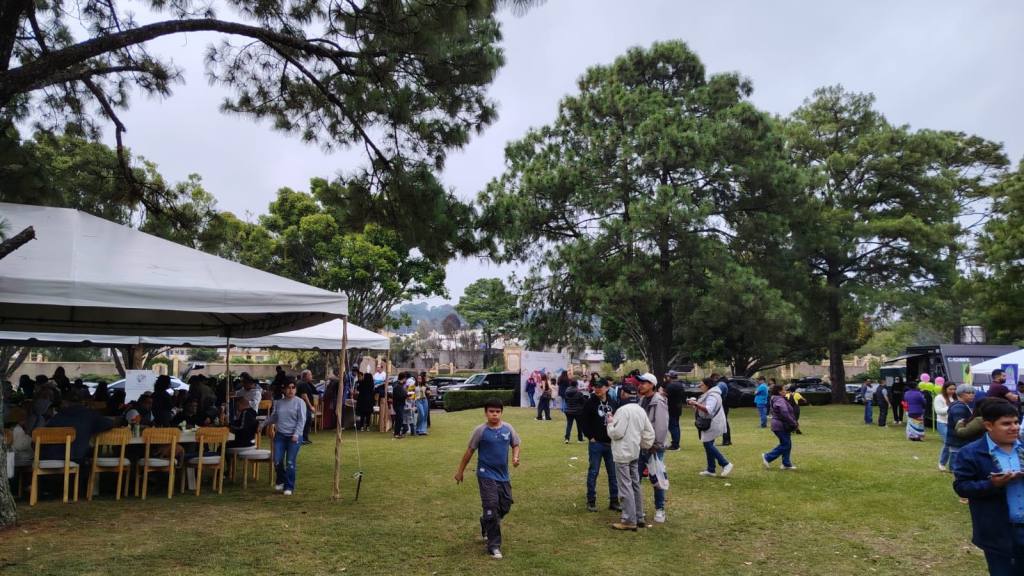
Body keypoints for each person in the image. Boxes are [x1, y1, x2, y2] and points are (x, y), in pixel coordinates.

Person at [952, 398, 1024, 574]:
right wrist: (992, 484)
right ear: (989, 425)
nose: (1014, 427)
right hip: (998, 531)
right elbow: (962, 487)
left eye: (1016, 422)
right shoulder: (971, 453)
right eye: (1006, 424)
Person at [453, 398, 521, 560]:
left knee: (504, 505)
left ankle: (486, 521)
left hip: (503, 475)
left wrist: (515, 458)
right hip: (485, 474)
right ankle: (494, 546)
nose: (494, 415)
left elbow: (516, 444)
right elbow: (469, 452)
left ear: (501, 413)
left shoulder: (508, 428)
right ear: (486, 413)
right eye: (491, 411)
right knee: (491, 505)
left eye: (497, 412)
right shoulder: (480, 431)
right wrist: (460, 471)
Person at [606, 383, 655, 531]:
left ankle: (628, 519)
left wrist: (609, 424)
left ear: (623, 394)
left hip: (622, 453)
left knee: (625, 486)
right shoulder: (640, 409)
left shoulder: (622, 410)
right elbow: (649, 431)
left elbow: (617, 433)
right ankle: (639, 516)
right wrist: (643, 444)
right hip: (635, 451)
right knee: (635, 484)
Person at [40, 389, 114, 463]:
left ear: (65, 402)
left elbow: (41, 436)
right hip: (78, 457)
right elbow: (109, 424)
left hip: (52, 457)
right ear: (82, 402)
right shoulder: (90, 415)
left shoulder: (58, 416)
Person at [580, 377, 619, 513]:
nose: (597, 389)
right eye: (595, 387)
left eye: (600, 387)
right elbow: (583, 421)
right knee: (593, 472)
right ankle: (591, 501)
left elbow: (618, 421)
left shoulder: (613, 403)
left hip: (611, 444)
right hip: (596, 444)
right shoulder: (590, 403)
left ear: (606, 388)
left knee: (613, 474)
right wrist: (590, 437)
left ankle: (614, 501)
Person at [637, 372, 669, 523]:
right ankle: (638, 510)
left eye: (643, 382)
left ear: (651, 385)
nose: (640, 385)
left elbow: (661, 425)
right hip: (640, 446)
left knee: (656, 479)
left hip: (654, 447)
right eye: (640, 382)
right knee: (635, 479)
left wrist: (656, 445)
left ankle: (660, 509)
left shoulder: (659, 401)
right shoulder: (642, 399)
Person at [267, 377, 307, 496]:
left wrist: (296, 434)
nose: (291, 390)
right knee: (277, 460)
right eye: (288, 388)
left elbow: (302, 420)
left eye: (293, 388)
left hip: (294, 437)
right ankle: (281, 479)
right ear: (283, 389)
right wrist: (263, 424)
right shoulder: (278, 403)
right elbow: (274, 417)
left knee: (290, 462)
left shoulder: (300, 402)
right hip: (280, 436)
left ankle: (289, 486)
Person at [690, 377, 733, 477]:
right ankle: (711, 469)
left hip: (712, 423)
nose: (699, 386)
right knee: (708, 444)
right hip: (713, 422)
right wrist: (696, 404)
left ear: (707, 385)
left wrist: (696, 403)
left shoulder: (713, 395)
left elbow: (708, 409)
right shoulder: (711, 394)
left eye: (701, 384)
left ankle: (725, 464)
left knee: (708, 444)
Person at [762, 383, 798, 470]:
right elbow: (784, 412)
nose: (785, 391)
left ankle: (786, 464)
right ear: (779, 391)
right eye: (784, 390)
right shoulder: (780, 400)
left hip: (781, 425)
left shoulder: (777, 398)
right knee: (785, 444)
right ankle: (767, 457)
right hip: (780, 426)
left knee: (787, 444)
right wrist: (793, 422)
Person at [947, 384, 979, 469]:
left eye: (973, 392)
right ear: (960, 394)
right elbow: (960, 424)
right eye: (968, 393)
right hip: (958, 440)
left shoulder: (964, 405)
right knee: (956, 465)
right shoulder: (959, 407)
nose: (972, 395)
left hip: (959, 440)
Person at [934, 380, 957, 471]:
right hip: (942, 423)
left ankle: (952, 466)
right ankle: (942, 463)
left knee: (954, 444)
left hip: (954, 424)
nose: (952, 391)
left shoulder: (955, 398)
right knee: (948, 442)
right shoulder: (939, 398)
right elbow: (938, 411)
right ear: (945, 388)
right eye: (950, 389)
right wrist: (951, 407)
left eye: (954, 389)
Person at [663, 373, 686, 450]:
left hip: (671, 408)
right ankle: (676, 443)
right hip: (678, 407)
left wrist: (661, 393)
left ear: (670, 377)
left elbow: (666, 394)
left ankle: (675, 445)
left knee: (673, 426)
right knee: (676, 426)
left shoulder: (671, 385)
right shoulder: (680, 384)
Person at [712, 373, 733, 446]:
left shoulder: (721, 384)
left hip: (723, 405)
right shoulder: (725, 383)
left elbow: (716, 393)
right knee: (724, 422)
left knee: (723, 422)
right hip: (725, 405)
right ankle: (727, 440)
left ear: (715, 378)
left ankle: (726, 440)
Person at [391, 373, 408, 438]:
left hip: (400, 404)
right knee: (399, 418)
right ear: (403, 378)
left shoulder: (400, 385)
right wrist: (406, 395)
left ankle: (397, 433)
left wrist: (406, 394)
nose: (405, 380)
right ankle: (397, 433)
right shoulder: (397, 385)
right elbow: (399, 395)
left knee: (399, 419)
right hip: (398, 404)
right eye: (405, 378)